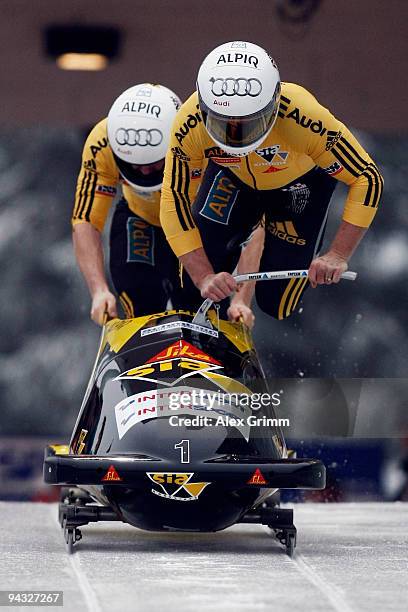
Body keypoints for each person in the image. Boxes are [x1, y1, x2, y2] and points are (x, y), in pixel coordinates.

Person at [160, 41, 383, 324]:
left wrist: (338, 254)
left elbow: (367, 177)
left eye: (248, 123)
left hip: (299, 188)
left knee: (277, 304)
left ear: (274, 106)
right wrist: (203, 275)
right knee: (190, 288)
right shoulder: (188, 123)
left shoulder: (304, 115)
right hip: (232, 177)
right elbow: (174, 198)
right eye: (222, 123)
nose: (235, 137)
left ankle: (260, 235)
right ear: (204, 110)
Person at [72, 83, 183, 324]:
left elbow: (247, 216)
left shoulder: (196, 137)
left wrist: (241, 299)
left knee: (201, 300)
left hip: (192, 222)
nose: (144, 171)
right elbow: (85, 221)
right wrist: (99, 290)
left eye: (154, 163)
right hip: (140, 215)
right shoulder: (101, 144)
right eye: (134, 164)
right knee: (140, 302)